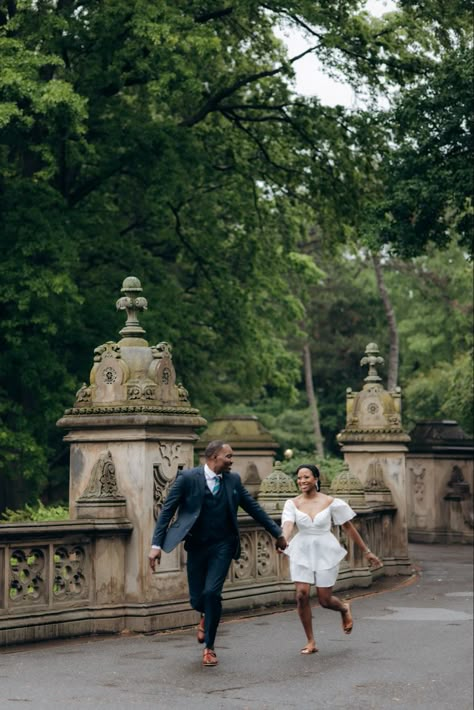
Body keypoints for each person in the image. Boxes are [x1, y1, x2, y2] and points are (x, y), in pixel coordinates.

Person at [148, 440, 287, 667]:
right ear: (213, 457)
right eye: (228, 456)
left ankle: (209, 648)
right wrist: (156, 546)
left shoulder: (233, 481)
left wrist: (277, 533)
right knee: (197, 599)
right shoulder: (188, 479)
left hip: (223, 545)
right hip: (196, 545)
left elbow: (254, 508)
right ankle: (205, 616)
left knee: (212, 593)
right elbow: (167, 512)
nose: (232, 460)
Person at [281, 463, 382, 654]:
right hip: (301, 550)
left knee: (324, 600)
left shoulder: (331, 502)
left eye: (306, 477)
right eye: (299, 477)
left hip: (325, 549)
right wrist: (283, 541)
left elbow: (349, 528)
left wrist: (367, 551)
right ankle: (310, 641)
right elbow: (287, 526)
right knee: (301, 594)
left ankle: (343, 608)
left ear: (316, 479)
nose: (302, 481)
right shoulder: (291, 503)